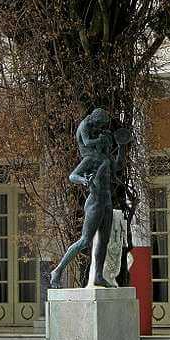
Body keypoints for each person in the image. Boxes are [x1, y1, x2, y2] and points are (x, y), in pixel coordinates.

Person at [50, 123, 125, 289]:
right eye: (105, 142)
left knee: (103, 241)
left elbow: (118, 166)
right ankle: (57, 270)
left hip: (107, 202)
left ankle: (98, 276)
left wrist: (121, 148)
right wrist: (84, 180)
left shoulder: (107, 159)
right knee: (85, 241)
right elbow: (73, 176)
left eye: (109, 143)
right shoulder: (91, 159)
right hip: (95, 202)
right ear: (99, 143)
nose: (107, 145)